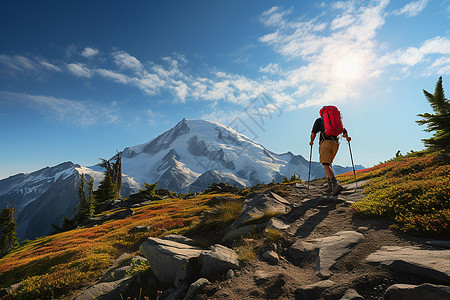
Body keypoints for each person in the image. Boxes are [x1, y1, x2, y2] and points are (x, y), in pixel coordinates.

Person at [309, 108, 351, 196]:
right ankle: (330, 187)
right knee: (329, 163)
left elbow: (313, 134)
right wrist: (347, 138)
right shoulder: (336, 121)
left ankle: (335, 184)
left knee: (325, 164)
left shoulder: (319, 121)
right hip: (336, 143)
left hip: (325, 142)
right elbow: (344, 133)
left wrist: (311, 142)